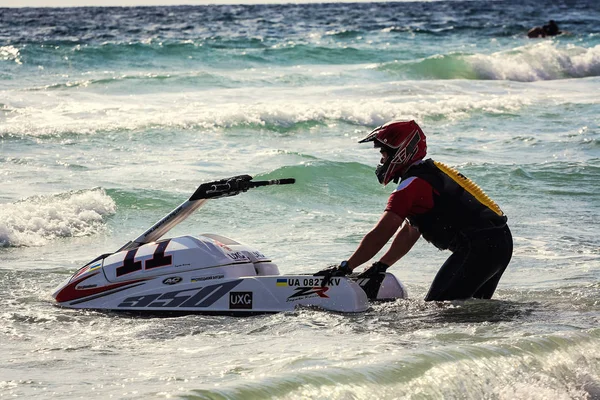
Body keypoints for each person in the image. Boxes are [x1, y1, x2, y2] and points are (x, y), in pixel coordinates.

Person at [314, 120, 513, 301]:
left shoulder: (411, 185)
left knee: (439, 309)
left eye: (383, 153)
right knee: (474, 312)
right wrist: (381, 266)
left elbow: (381, 233)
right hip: (500, 242)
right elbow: (411, 230)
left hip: (480, 248)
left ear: (401, 151)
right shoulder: (429, 173)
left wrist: (346, 267)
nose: (381, 161)